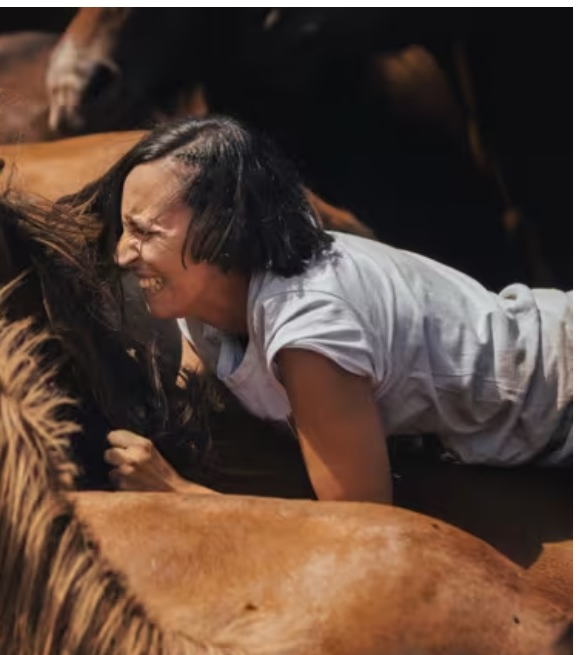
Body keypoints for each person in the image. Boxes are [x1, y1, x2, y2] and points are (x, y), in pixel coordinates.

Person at [79, 116, 572, 504]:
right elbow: (197, 406)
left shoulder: (311, 328)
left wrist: (181, 495)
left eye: (144, 232)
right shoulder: (201, 299)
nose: (123, 254)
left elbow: (362, 526)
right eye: (125, 230)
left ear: (222, 230)